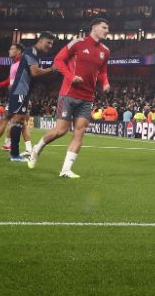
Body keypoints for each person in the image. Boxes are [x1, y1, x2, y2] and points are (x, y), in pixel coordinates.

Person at [27, 21, 111, 178]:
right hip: (68, 93)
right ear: (94, 28)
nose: (107, 31)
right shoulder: (77, 43)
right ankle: (37, 148)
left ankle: (65, 170)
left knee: (80, 132)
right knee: (61, 131)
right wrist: (71, 76)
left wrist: (105, 82)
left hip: (87, 97)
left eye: (108, 28)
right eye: (104, 27)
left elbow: (103, 71)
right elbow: (58, 60)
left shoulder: (105, 51)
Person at [0, 36, 56, 160]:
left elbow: (29, 75)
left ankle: (10, 149)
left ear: (19, 51)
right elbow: (13, 79)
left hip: (20, 92)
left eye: (12, 49)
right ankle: (12, 149)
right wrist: (0, 84)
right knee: (16, 120)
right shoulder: (17, 62)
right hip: (18, 92)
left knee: (17, 120)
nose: (9, 51)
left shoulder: (23, 60)